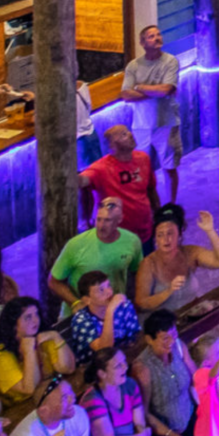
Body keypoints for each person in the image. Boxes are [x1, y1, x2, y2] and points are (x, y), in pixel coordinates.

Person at [119, 29, 182, 204]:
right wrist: (156, 91)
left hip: (166, 123)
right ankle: (150, 205)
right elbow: (125, 95)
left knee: (169, 167)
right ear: (143, 43)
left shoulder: (170, 61)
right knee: (142, 169)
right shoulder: (133, 66)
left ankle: (171, 205)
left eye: (158, 35)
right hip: (141, 125)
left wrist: (139, 87)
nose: (157, 38)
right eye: (151, 36)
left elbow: (167, 89)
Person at [48, 198, 143, 310]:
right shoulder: (76, 244)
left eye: (108, 220)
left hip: (113, 311)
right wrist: (76, 303)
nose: (101, 226)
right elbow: (53, 282)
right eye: (98, 220)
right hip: (80, 315)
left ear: (119, 219)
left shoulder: (132, 241)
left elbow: (137, 273)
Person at [78, 128, 157, 248]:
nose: (130, 135)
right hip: (116, 241)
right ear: (111, 145)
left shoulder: (143, 158)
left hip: (145, 233)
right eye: (123, 134)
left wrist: (159, 215)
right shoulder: (101, 169)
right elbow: (83, 181)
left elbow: (151, 191)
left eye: (128, 131)